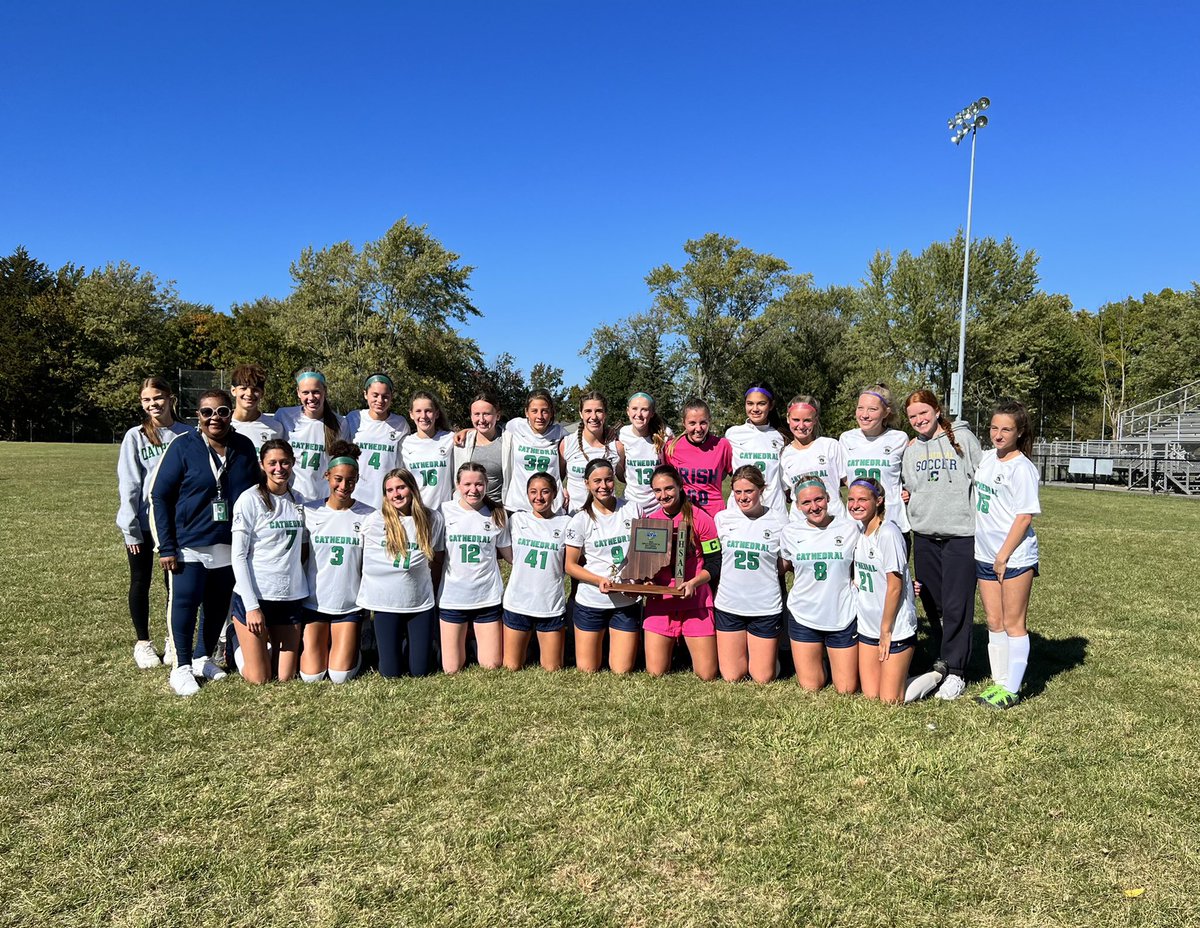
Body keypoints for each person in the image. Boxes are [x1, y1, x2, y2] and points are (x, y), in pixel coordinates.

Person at [150, 389, 258, 696]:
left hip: (229, 542)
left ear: (230, 414)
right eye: (207, 412)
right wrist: (166, 546)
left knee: (216, 607)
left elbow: (252, 495)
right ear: (197, 416)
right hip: (190, 541)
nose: (215, 418)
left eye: (222, 412)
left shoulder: (243, 447)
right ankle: (181, 667)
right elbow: (159, 495)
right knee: (184, 603)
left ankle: (202, 657)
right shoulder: (183, 446)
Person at [901, 389, 983, 700]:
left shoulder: (961, 439)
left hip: (960, 534)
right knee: (933, 601)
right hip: (924, 534)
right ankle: (941, 660)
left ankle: (957, 671)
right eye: (912, 416)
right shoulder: (911, 451)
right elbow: (911, 488)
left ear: (937, 410)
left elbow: (982, 478)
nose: (919, 420)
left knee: (956, 603)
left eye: (924, 412)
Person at [117, 376, 190, 668]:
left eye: (157, 398)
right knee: (140, 581)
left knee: (175, 586)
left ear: (170, 398)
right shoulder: (135, 436)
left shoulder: (187, 434)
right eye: (147, 400)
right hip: (145, 525)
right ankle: (143, 642)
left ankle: (173, 639)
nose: (153, 404)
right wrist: (130, 529)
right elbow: (129, 486)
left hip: (176, 524)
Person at [973, 401, 1041, 710]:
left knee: (1014, 623)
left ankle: (1012, 690)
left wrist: (1003, 556)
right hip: (984, 554)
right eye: (994, 427)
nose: (998, 434)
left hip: (1013, 558)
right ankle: (999, 683)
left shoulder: (1022, 467)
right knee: (994, 620)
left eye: (1006, 429)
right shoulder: (988, 458)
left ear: (1019, 432)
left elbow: (1024, 517)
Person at [230, 439, 307, 684]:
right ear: (262, 465)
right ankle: (236, 640)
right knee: (259, 678)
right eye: (272, 463)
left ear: (293, 463)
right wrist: (252, 606)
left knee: (285, 677)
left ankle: (264, 645)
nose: (279, 468)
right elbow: (239, 556)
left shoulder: (300, 501)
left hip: (289, 597)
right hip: (256, 597)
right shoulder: (249, 499)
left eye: (284, 462)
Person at [356, 468, 444, 677]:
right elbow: (358, 559)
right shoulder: (373, 521)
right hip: (386, 602)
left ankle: (411, 644)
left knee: (420, 671)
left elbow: (438, 558)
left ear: (412, 488)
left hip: (419, 601)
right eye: (390, 490)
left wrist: (433, 589)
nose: (396, 494)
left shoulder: (432, 519)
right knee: (390, 674)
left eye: (401, 487)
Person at [301, 442, 374, 684]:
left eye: (350, 481)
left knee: (340, 676)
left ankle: (355, 646)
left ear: (357, 480)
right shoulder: (309, 511)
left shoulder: (369, 515)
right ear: (327, 476)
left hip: (349, 605)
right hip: (315, 603)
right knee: (311, 677)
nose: (344, 486)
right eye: (338, 479)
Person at [780, 475, 860, 693]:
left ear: (828, 498)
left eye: (819, 500)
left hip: (841, 615)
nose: (814, 507)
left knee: (846, 689)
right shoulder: (790, 532)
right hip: (804, 615)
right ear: (797, 505)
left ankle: (831, 656)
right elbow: (782, 565)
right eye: (806, 502)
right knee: (811, 686)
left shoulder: (850, 529)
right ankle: (820, 659)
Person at [640, 465, 721, 680]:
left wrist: (694, 582)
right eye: (657, 491)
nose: (663, 495)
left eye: (668, 488)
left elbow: (714, 562)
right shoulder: (652, 522)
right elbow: (646, 566)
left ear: (680, 487)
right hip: (662, 602)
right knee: (655, 672)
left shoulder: (701, 518)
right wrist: (646, 582)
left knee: (707, 674)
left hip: (695, 601)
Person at [565, 459, 643, 674]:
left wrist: (638, 577)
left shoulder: (633, 508)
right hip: (592, 601)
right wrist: (599, 580)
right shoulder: (580, 519)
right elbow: (570, 566)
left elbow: (646, 552)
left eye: (608, 480)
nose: (603, 486)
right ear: (586, 483)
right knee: (587, 669)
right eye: (597, 481)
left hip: (626, 601)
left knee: (622, 670)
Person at [713, 466, 789, 683]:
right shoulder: (723, 519)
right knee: (732, 676)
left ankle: (770, 658)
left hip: (764, 606)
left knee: (763, 677)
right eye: (737, 492)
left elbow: (784, 563)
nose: (743, 497)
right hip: (729, 604)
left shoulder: (778, 521)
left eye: (749, 491)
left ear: (761, 489)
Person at [847, 478, 917, 703]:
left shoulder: (888, 533)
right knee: (870, 694)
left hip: (894, 627)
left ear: (878, 501)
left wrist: (886, 630)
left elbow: (895, 587)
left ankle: (936, 676)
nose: (855, 504)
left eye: (862, 499)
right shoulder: (859, 531)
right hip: (867, 624)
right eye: (851, 499)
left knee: (890, 700)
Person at [438, 463, 512, 673]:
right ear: (457, 485)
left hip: (486, 597)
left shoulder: (497, 513)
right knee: (451, 669)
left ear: (486, 485)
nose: (473, 489)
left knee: (491, 665)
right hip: (453, 597)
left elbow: (510, 556)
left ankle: (473, 643)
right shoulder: (444, 512)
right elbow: (436, 556)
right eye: (467, 484)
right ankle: (458, 643)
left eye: (479, 484)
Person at [502, 472, 571, 671]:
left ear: (555, 493)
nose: (538, 497)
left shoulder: (566, 523)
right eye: (533, 492)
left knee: (552, 668)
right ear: (526, 494)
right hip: (518, 603)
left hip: (550, 604)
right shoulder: (516, 520)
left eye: (545, 492)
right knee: (511, 667)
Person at [839, 384, 910, 532]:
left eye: (872, 409)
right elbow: (845, 476)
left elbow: (908, 476)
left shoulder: (899, 438)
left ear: (886, 412)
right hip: (856, 524)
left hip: (892, 520)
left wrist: (906, 491)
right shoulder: (846, 439)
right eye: (860, 408)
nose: (864, 414)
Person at [274, 370, 348, 501]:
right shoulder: (284, 416)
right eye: (305, 392)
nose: (311, 397)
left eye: (316, 392)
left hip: (322, 500)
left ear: (325, 391)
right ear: (298, 392)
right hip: (290, 498)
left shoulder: (340, 423)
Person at [344, 373, 410, 510]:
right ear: (365, 394)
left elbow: (402, 462)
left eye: (385, 396)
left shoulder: (400, 424)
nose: (380, 400)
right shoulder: (354, 418)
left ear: (391, 397)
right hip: (355, 494)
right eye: (375, 395)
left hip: (386, 496)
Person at [724, 382, 789, 517]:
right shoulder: (733, 434)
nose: (755, 409)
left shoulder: (782, 437)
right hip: (739, 510)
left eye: (761, 403)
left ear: (771, 405)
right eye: (750, 403)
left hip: (773, 511)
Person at [661, 398, 733, 518]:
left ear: (709, 421)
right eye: (692, 423)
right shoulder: (671, 448)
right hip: (684, 514)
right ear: (684, 423)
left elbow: (737, 478)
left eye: (703, 422)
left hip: (714, 515)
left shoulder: (722, 445)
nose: (698, 429)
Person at [779, 395, 847, 519]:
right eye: (795, 419)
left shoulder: (830, 446)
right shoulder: (784, 454)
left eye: (807, 420)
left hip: (834, 520)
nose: (801, 425)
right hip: (800, 524)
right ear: (788, 419)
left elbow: (849, 483)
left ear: (815, 420)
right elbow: (787, 492)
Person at [501, 389, 568, 513]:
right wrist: (468, 431)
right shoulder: (516, 426)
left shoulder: (560, 433)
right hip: (518, 505)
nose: (540, 416)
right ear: (526, 412)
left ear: (551, 412)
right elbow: (490, 429)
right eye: (534, 411)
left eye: (545, 411)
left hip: (550, 506)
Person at [560, 390, 624, 514]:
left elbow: (626, 479)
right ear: (580, 414)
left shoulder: (617, 446)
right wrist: (562, 490)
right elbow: (557, 479)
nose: (593, 417)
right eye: (588, 411)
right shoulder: (567, 444)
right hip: (575, 517)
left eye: (598, 411)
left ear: (605, 414)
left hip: (607, 517)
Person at [400, 390, 456, 511]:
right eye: (418, 411)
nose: (423, 416)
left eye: (428, 411)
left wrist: (466, 431)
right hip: (416, 513)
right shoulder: (404, 444)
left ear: (436, 414)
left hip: (444, 514)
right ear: (411, 414)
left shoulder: (449, 438)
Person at [618, 392, 671, 515]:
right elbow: (620, 474)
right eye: (634, 409)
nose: (639, 414)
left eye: (644, 410)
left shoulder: (665, 434)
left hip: (659, 506)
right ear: (628, 411)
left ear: (652, 413)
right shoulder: (622, 434)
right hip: (630, 505)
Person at [452, 392, 506, 501]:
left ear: (498, 415)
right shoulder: (462, 442)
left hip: (497, 509)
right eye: (476, 414)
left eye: (486, 414)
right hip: (467, 509)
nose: (481, 419)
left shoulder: (508, 441)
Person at [229, 363, 285, 452]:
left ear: (262, 393)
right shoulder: (222, 424)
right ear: (233, 391)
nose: (249, 394)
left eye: (255, 390)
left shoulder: (275, 428)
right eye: (244, 388)